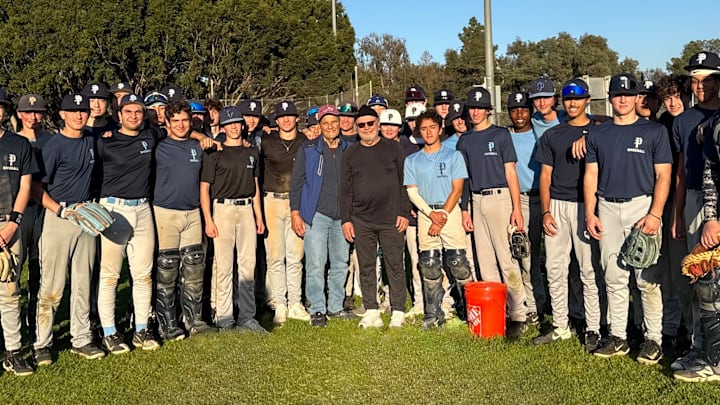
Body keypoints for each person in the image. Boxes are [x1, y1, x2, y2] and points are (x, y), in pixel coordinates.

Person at [585, 73, 672, 364]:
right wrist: (590, 212)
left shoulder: (654, 131)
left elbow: (664, 175)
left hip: (641, 205)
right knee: (614, 276)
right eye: (616, 94)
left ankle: (653, 339)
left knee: (647, 278)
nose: (622, 99)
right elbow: (591, 174)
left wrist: (655, 214)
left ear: (637, 97)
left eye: (628, 94)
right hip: (607, 207)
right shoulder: (598, 133)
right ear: (609, 98)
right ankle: (618, 336)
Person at [33, 94, 106, 364]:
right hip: (59, 216)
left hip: (84, 215)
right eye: (72, 111)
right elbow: (37, 187)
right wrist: (60, 210)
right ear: (62, 114)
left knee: (83, 281)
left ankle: (82, 338)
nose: (78, 115)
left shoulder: (90, 140)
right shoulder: (54, 145)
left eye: (83, 111)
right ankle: (42, 344)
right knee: (52, 286)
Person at [532, 79, 602, 352]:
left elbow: (612, 122)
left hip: (586, 205)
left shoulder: (599, 130)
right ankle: (561, 325)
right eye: (568, 99)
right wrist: (547, 212)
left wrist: (589, 135)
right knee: (555, 268)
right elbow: (545, 175)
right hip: (558, 206)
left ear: (587, 101)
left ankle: (593, 327)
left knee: (587, 270)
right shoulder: (553, 135)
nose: (573, 104)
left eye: (579, 98)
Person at [457, 87, 528, 339]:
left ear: (489, 109)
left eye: (480, 107)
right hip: (476, 200)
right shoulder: (464, 140)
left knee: (506, 259)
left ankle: (520, 312)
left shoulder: (500, 135)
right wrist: (465, 210)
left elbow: (511, 172)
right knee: (485, 262)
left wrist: (517, 208)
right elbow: (463, 178)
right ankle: (499, 313)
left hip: (500, 199)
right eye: (472, 108)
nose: (475, 112)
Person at [95, 94, 161, 354]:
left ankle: (141, 329)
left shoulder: (151, 137)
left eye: (138, 112)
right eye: (129, 112)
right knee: (110, 276)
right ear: (119, 115)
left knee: (143, 275)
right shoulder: (104, 142)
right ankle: (109, 332)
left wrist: (202, 137)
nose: (134, 116)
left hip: (143, 209)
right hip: (114, 209)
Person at [671, 51, 720, 372]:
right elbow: (679, 172)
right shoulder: (684, 119)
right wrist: (676, 214)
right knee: (699, 277)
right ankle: (698, 346)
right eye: (694, 80)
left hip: (714, 204)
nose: (699, 86)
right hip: (694, 199)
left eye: (706, 80)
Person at [341, 106, 410, 328]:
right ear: (356, 127)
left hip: (391, 219)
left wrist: (404, 212)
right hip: (362, 220)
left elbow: (404, 181)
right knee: (367, 266)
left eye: (371, 123)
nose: (367, 128)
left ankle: (398, 309)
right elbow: (345, 190)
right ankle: (372, 309)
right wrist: (346, 220)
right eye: (361, 125)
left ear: (378, 124)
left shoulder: (393, 149)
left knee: (394, 265)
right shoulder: (350, 153)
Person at [201, 106, 267, 333]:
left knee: (248, 265)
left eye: (237, 123)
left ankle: (247, 317)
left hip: (246, 208)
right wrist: (208, 219)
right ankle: (224, 317)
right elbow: (205, 188)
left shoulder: (252, 152)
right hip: (223, 210)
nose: (234, 127)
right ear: (223, 127)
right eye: (229, 124)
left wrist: (259, 216)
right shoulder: (215, 153)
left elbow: (256, 186)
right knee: (224, 265)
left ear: (242, 125)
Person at [404, 109, 472, 329]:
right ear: (418, 131)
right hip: (426, 214)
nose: (428, 132)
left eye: (432, 127)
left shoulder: (453, 155)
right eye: (424, 128)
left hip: (448, 213)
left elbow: (457, 190)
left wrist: (441, 215)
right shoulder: (412, 160)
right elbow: (412, 191)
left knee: (457, 262)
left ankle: (469, 309)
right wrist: (430, 214)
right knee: (429, 264)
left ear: (441, 129)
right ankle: (433, 312)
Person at [153, 101, 213, 340]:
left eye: (184, 120)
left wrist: (203, 138)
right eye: (175, 121)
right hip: (165, 212)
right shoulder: (158, 145)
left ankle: (194, 320)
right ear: (167, 123)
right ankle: (166, 324)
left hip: (192, 213)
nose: (180, 125)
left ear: (191, 122)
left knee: (194, 268)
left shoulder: (198, 147)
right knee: (167, 270)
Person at [290, 105, 352, 327]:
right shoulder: (308, 149)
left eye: (334, 122)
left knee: (340, 262)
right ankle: (317, 308)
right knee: (316, 263)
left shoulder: (349, 148)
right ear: (320, 126)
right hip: (316, 214)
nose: (330, 127)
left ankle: (335, 306)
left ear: (339, 123)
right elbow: (296, 183)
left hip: (343, 216)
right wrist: (296, 212)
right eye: (325, 123)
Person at [262, 100, 310, 325]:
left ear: (297, 118)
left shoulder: (305, 141)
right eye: (282, 116)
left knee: (295, 256)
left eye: (290, 115)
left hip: (296, 202)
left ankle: (295, 303)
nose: (286, 119)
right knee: (275, 256)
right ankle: (280, 303)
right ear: (276, 120)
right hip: (272, 200)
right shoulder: (267, 141)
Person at [0, 88, 37, 375]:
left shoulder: (19, 144)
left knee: (10, 290)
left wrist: (14, 221)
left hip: (8, 224)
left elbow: (25, 186)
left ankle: (13, 351)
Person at [14, 93, 52, 345]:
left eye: (37, 112)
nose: (33, 117)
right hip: (19, 210)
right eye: (28, 112)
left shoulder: (52, 141)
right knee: (12, 270)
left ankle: (35, 325)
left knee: (39, 269)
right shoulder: (11, 142)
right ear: (19, 114)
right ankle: (11, 328)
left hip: (45, 209)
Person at [506, 90, 546, 325]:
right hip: (519, 200)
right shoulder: (506, 136)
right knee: (525, 255)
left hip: (545, 197)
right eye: (514, 110)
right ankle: (533, 305)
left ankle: (557, 305)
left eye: (524, 109)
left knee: (550, 258)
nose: (519, 114)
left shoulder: (539, 133)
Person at [380, 108, 423, 316]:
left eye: (393, 125)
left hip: (410, 211)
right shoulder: (374, 147)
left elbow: (416, 181)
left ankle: (419, 301)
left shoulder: (410, 149)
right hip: (386, 211)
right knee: (392, 258)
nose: (389, 129)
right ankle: (391, 299)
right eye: (385, 125)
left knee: (416, 259)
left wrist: (413, 206)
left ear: (400, 127)